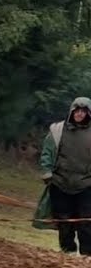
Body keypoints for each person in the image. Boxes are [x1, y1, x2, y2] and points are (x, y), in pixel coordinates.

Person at [39, 97, 91, 255]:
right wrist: (47, 173)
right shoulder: (57, 130)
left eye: (83, 111)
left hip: (86, 185)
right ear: (72, 111)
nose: (80, 114)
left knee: (86, 222)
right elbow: (47, 152)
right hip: (60, 183)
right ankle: (68, 252)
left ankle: (87, 255)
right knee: (63, 221)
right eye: (77, 110)